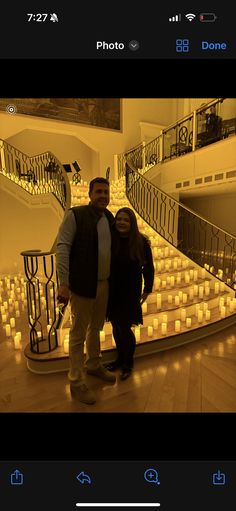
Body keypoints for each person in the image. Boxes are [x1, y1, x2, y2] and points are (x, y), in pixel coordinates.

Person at [56, 177, 116, 405]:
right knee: (78, 333)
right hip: (81, 285)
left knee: (96, 328)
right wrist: (64, 283)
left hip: (103, 284)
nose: (103, 195)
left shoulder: (108, 217)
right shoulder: (76, 215)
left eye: (106, 192)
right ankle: (76, 381)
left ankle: (93, 365)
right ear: (90, 195)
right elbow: (63, 247)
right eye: (99, 191)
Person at [106, 207, 154, 380]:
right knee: (116, 327)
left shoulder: (141, 242)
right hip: (112, 290)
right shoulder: (111, 239)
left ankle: (128, 362)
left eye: (126, 220)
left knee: (125, 328)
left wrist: (148, 288)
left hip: (130, 291)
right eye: (119, 219)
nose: (122, 222)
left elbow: (149, 268)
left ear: (131, 223)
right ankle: (119, 359)